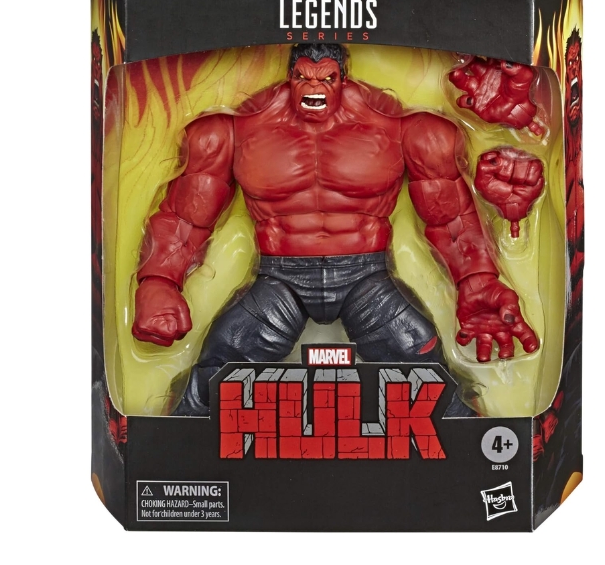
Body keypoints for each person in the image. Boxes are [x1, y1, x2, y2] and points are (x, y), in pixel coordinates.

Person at [132, 44, 539, 415]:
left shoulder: (403, 129)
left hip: (365, 275)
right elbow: (186, 217)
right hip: (280, 276)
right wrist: (159, 282)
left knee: (424, 371)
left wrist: (477, 279)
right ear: (290, 76)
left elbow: (450, 218)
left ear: (342, 77)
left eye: (326, 77)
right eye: (303, 77)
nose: (314, 88)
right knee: (219, 370)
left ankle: (475, 451)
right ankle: (177, 452)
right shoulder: (234, 131)